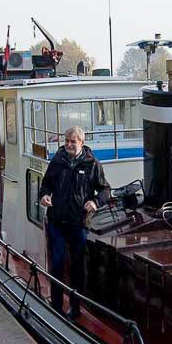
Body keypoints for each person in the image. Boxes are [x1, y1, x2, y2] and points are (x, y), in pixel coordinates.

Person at [37, 125, 109, 319]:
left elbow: (105, 190)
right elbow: (46, 184)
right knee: (57, 264)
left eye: (73, 142)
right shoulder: (57, 161)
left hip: (79, 223)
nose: (68, 145)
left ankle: (75, 308)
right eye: (66, 141)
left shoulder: (93, 164)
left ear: (82, 143)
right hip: (57, 222)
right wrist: (44, 195)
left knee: (78, 267)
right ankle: (56, 306)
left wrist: (95, 202)